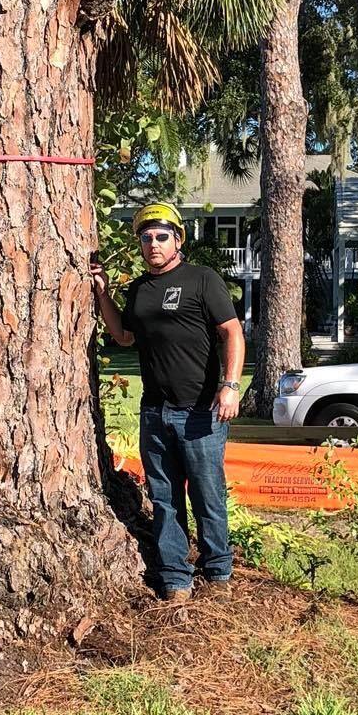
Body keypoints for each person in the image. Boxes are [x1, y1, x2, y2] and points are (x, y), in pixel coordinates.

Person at [90, 201, 245, 604]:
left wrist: (230, 385)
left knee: (208, 494)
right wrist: (104, 295)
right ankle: (176, 578)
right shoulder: (140, 290)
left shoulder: (201, 280)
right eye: (146, 238)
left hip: (201, 412)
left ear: (178, 239)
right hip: (155, 412)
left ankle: (218, 571)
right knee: (164, 497)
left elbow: (232, 332)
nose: (153, 244)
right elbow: (124, 336)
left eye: (161, 236)